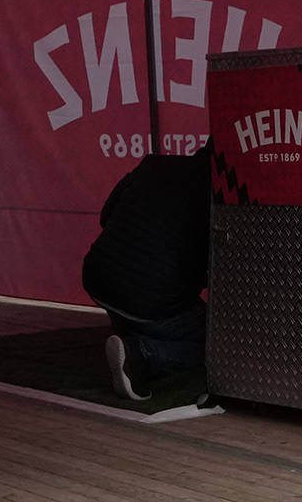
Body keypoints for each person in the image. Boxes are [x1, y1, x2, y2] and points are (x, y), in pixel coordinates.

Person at [82, 150, 209, 400]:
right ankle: (141, 356)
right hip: (150, 297)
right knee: (219, 345)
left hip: (98, 275)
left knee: (142, 306)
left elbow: (106, 214)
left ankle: (127, 333)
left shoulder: (155, 163)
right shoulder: (224, 192)